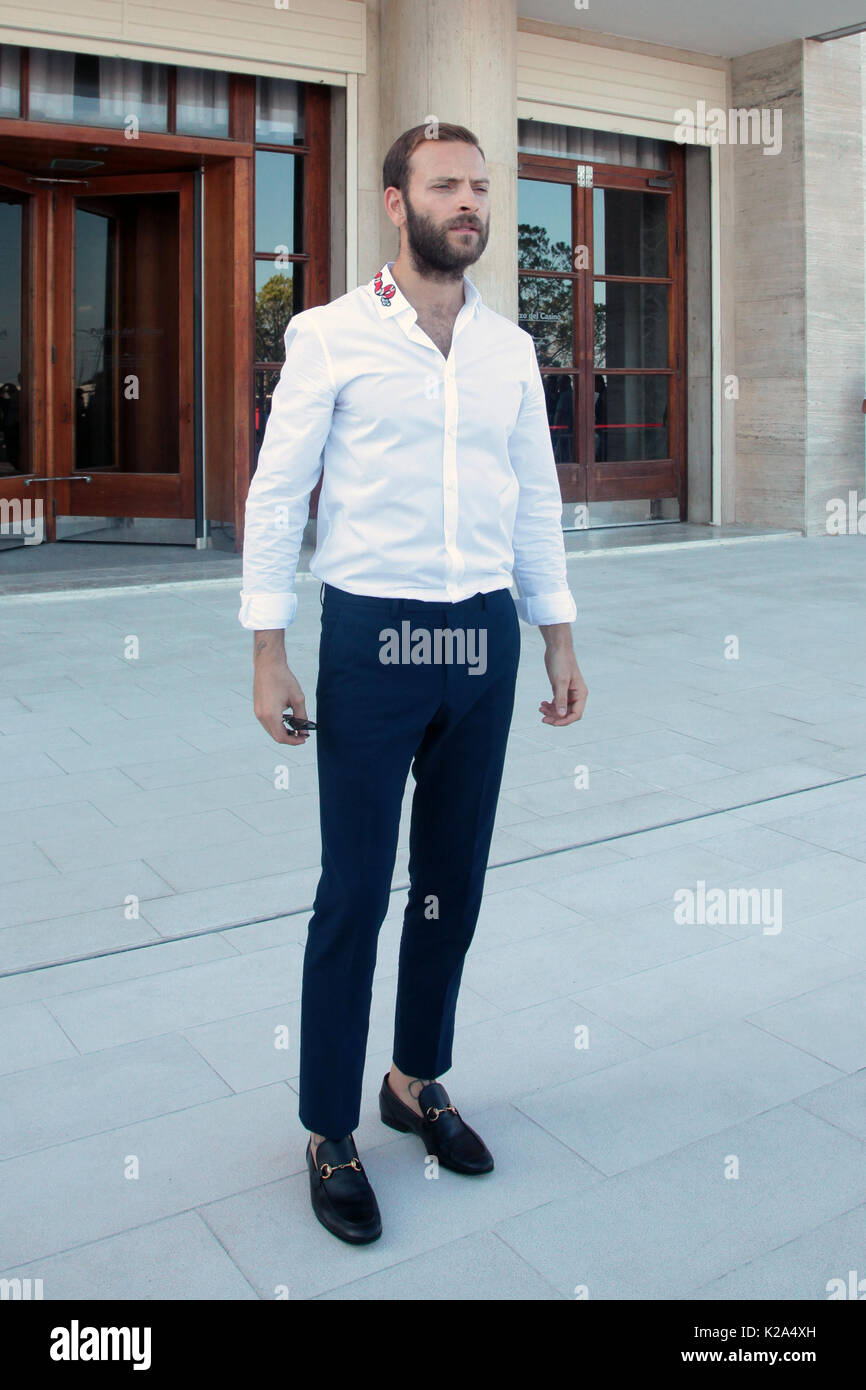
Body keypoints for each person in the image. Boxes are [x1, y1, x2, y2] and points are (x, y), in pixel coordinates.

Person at [239, 122, 588, 1245]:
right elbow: (274, 491)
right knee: (353, 889)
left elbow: (534, 494)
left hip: (479, 635)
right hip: (372, 635)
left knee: (452, 878)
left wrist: (555, 630)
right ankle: (328, 1129)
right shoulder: (327, 334)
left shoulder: (504, 348)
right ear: (395, 203)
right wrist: (267, 644)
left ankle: (414, 1079)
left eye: (481, 187)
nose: (469, 202)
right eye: (446, 185)